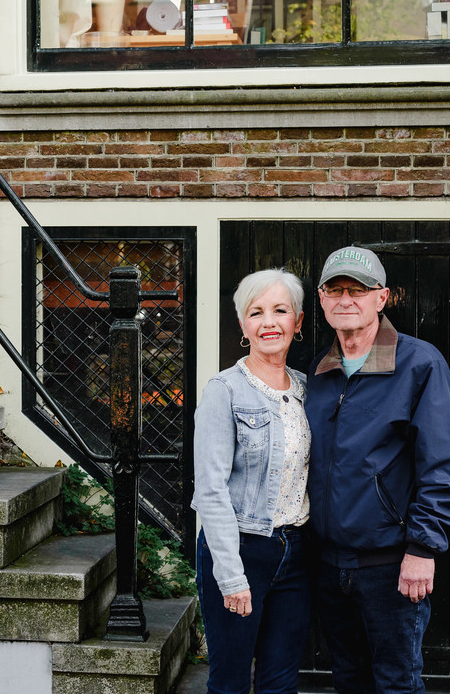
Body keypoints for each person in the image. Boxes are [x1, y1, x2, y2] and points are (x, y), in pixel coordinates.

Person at [304, 246, 450, 694]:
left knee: (396, 684)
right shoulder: (318, 373)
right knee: (348, 681)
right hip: (327, 565)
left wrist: (422, 548)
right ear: (321, 300)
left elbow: (445, 468)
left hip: (390, 566)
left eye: (358, 291)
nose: (345, 300)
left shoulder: (419, 364)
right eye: (335, 290)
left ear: (382, 298)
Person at [193, 268, 313, 694]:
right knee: (229, 681)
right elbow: (210, 489)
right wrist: (230, 575)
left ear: (297, 322)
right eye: (256, 312)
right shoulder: (223, 391)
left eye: (280, 311)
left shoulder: (306, 389)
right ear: (243, 325)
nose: (269, 322)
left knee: (280, 683)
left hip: (296, 552)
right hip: (240, 548)